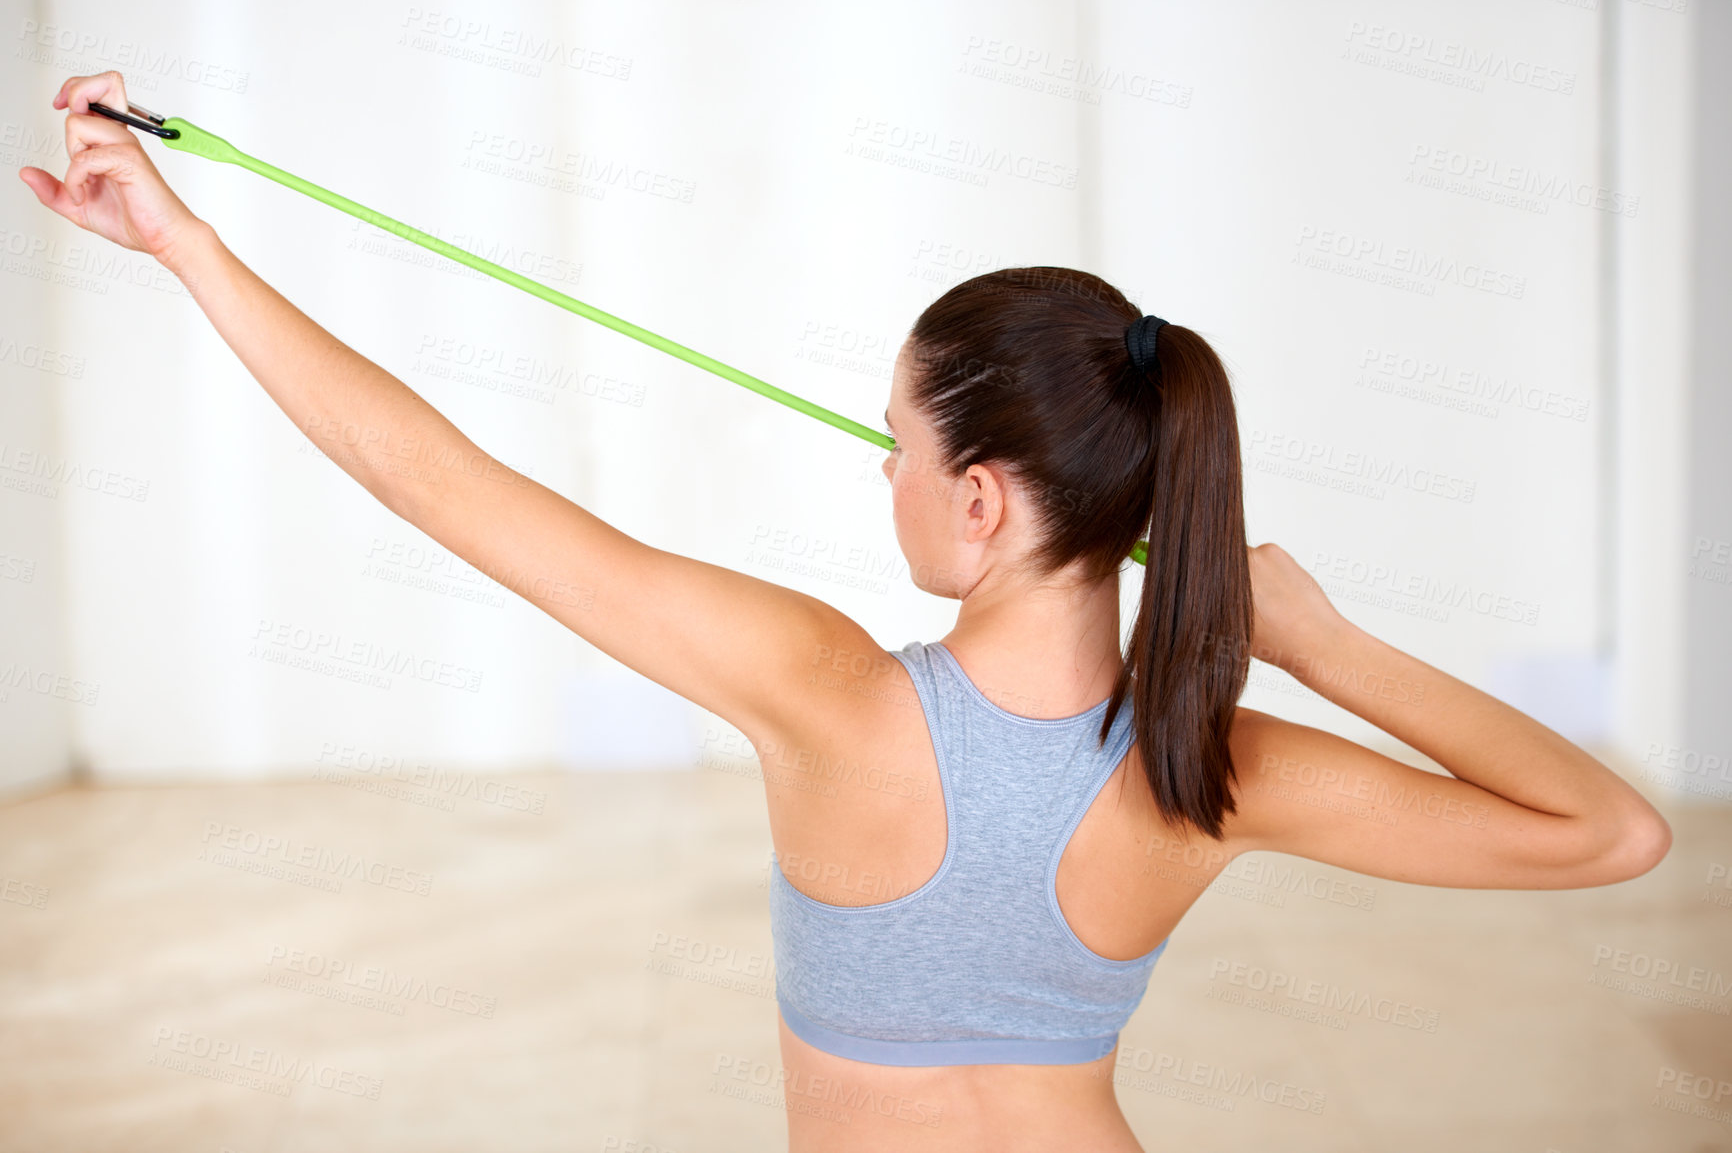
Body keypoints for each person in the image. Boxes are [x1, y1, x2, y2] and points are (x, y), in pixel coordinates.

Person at [22, 71, 1672, 1153]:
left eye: (897, 439)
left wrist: (181, 245)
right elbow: (1608, 834)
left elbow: (433, 482)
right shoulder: (1211, 764)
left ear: (977, 500)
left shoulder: (823, 690)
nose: (880, 470)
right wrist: (1327, 647)